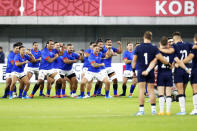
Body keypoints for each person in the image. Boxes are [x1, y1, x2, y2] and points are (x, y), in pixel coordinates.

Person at [132, 31, 171, 116]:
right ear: (151, 38)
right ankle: (153, 110)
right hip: (150, 71)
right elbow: (161, 58)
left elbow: (134, 60)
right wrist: (168, 64)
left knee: (141, 90)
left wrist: (133, 71)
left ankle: (141, 110)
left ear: (144, 37)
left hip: (141, 70)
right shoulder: (154, 48)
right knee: (151, 90)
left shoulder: (138, 48)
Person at [182, 33, 197, 115]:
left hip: (195, 70)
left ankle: (196, 109)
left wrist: (180, 62)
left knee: (195, 90)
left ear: (194, 39)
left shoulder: (194, 48)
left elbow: (189, 58)